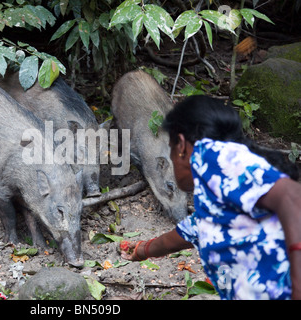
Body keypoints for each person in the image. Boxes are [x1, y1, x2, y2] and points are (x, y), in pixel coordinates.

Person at [120, 95, 301, 300]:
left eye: (170, 149)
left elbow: (293, 197)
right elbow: (183, 235)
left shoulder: (209, 153)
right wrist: (143, 250)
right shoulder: (219, 195)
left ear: (181, 145)